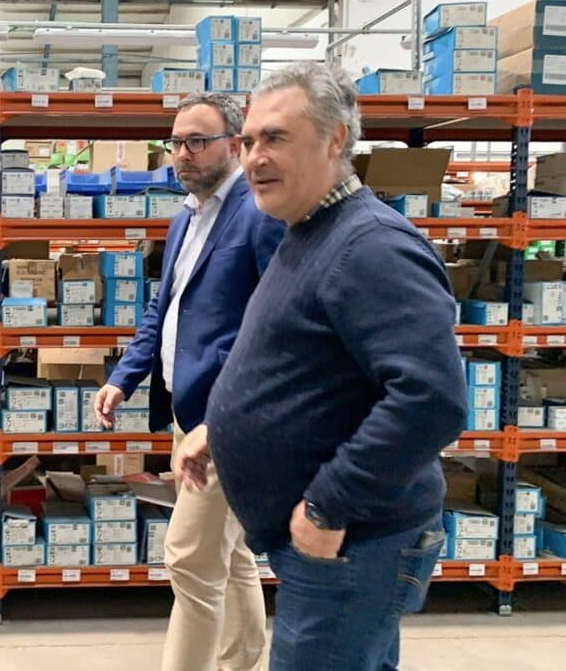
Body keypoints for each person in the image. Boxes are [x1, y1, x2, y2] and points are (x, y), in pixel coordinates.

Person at [175, 62, 467, 670]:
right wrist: (219, 429)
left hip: (352, 541)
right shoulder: (306, 230)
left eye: (276, 138)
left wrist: (328, 505)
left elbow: (430, 400)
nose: (255, 157)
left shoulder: (371, 246)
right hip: (330, 541)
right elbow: (301, 362)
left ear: (336, 139)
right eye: (249, 140)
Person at [94, 91, 284, 671]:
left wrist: (227, 412)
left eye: (197, 141)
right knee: (227, 555)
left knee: (189, 560)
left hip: (229, 419)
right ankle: (241, 660)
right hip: (187, 413)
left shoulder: (258, 216)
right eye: (176, 142)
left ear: (235, 145)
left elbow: (277, 324)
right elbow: (164, 307)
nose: (182, 154)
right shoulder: (186, 219)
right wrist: (125, 376)